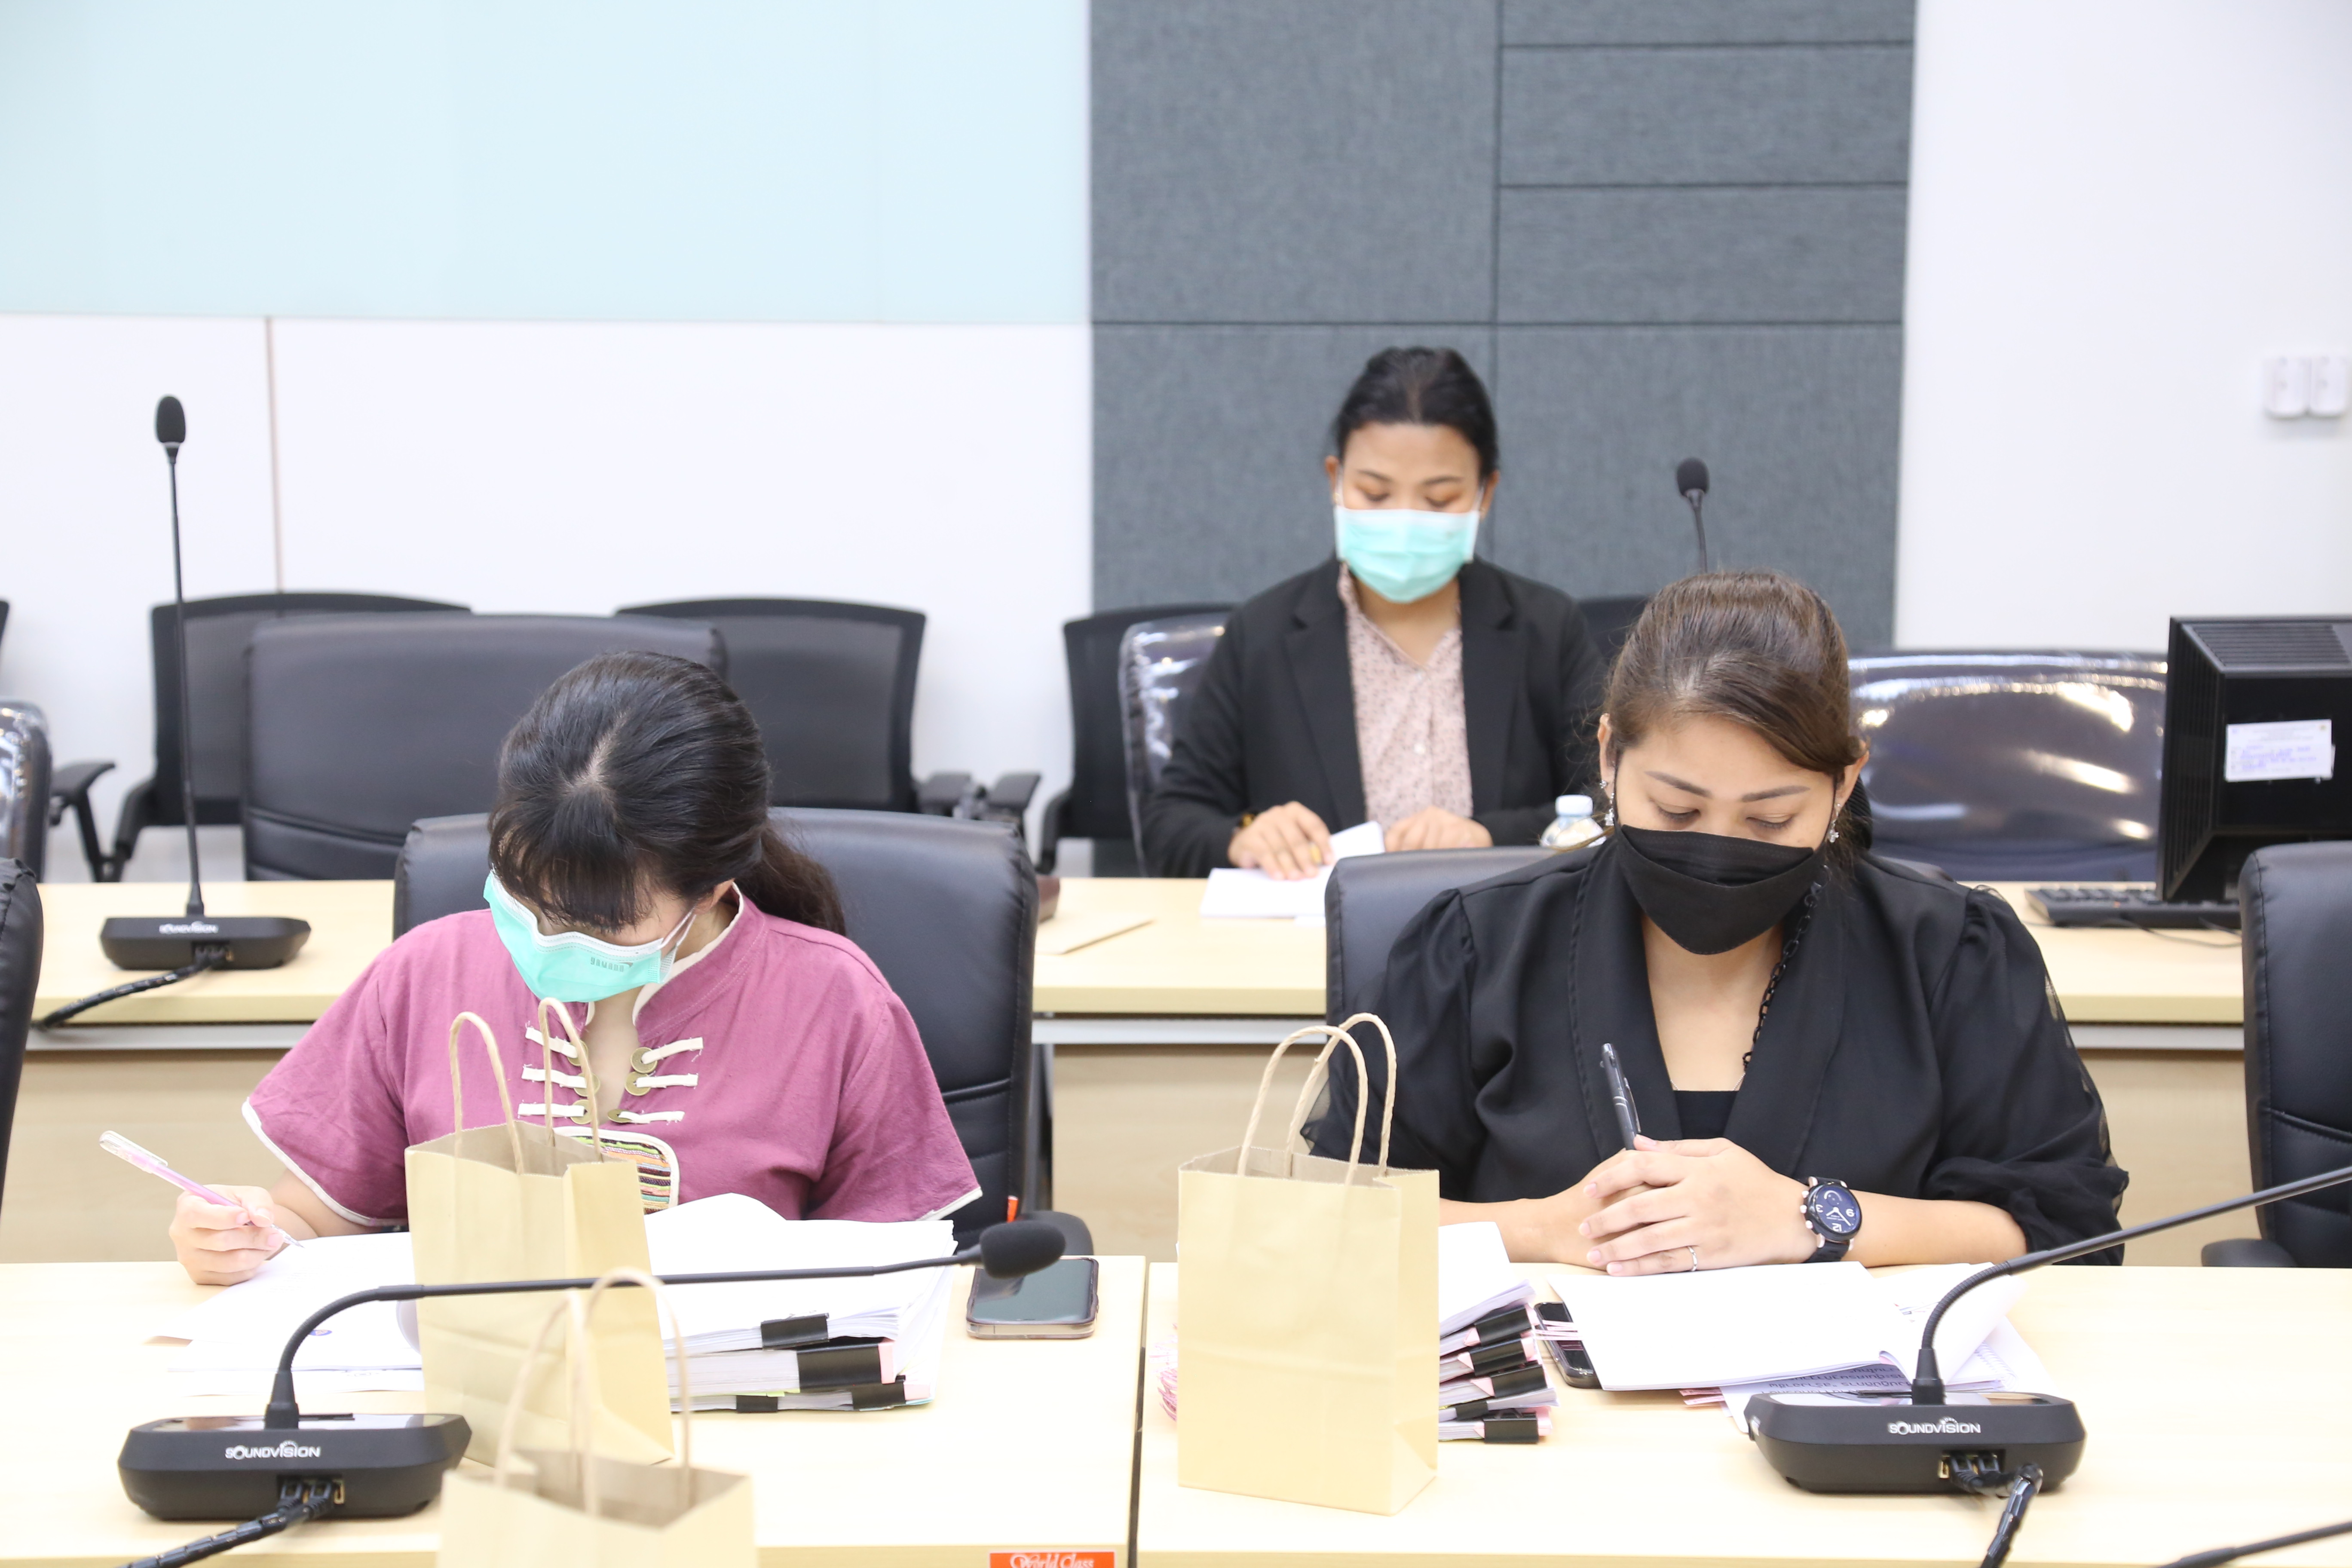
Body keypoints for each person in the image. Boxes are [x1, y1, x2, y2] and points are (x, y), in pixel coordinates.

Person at [1312, 570, 2128, 1271]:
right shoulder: (1476, 948)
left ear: (1845, 783)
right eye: (1677, 809)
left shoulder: (1950, 953)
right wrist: (1543, 1230)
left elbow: (2065, 1231)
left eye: (1770, 819)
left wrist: (1814, 1219)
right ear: (1609, 757)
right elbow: (1334, 1214)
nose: (1716, 849)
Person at [170, 652, 978, 1286]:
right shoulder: (422, 974)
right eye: (524, 894)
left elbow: (891, 1272)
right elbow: (317, 1221)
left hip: (733, 1406)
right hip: (476, 1397)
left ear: (711, 887)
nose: (546, 936)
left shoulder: (834, 1000)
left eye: (597, 923)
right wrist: (245, 1235)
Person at [1142, 346, 1607, 879]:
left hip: (1496, 923)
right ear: (1335, 479)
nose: (1404, 521)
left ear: (1486, 493)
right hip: (1313, 926)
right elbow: (1170, 822)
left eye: (1439, 500)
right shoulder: (1263, 634)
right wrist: (1243, 838)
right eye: (1375, 493)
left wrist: (1487, 837)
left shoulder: (1545, 628)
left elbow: (1613, 800)